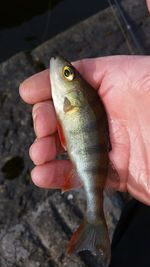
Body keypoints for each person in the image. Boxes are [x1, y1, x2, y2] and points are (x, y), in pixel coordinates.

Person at [20, 55, 150, 266]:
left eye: (67, 74)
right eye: (67, 73)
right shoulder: (69, 99)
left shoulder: (70, 100)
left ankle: (94, 221)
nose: (59, 66)